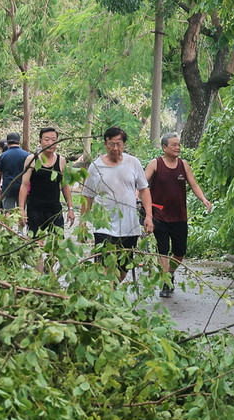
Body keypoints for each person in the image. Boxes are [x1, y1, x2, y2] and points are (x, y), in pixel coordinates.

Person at [80, 127, 153, 281]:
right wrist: (83, 223)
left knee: (123, 268)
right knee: (104, 265)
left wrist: (149, 217)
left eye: (119, 144)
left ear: (124, 145)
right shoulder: (95, 167)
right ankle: (107, 299)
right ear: (105, 144)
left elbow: (144, 189)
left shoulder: (133, 163)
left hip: (129, 226)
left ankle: (111, 293)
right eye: (111, 144)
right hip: (103, 225)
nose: (115, 148)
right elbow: (87, 196)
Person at [144, 132, 212, 297]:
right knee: (163, 250)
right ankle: (166, 282)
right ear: (164, 147)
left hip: (179, 216)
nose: (178, 148)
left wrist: (204, 199)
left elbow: (194, 184)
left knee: (180, 252)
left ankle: (170, 272)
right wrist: (135, 198)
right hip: (159, 215)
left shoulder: (184, 164)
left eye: (179, 145)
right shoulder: (155, 164)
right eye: (174, 145)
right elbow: (142, 184)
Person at [18, 127, 75, 236]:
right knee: (36, 244)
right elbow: (24, 185)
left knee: (56, 244)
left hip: (54, 210)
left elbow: (65, 186)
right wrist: (21, 210)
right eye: (47, 139)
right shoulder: (32, 160)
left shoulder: (61, 161)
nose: (50, 143)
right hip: (35, 209)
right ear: (40, 141)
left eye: (54, 140)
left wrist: (70, 208)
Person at [0, 132, 29, 211]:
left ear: (7, 142)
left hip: (8, 187)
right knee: (22, 211)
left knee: (8, 211)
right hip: (22, 187)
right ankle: (22, 223)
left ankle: (7, 224)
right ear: (19, 142)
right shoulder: (26, 155)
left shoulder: (3, 155)